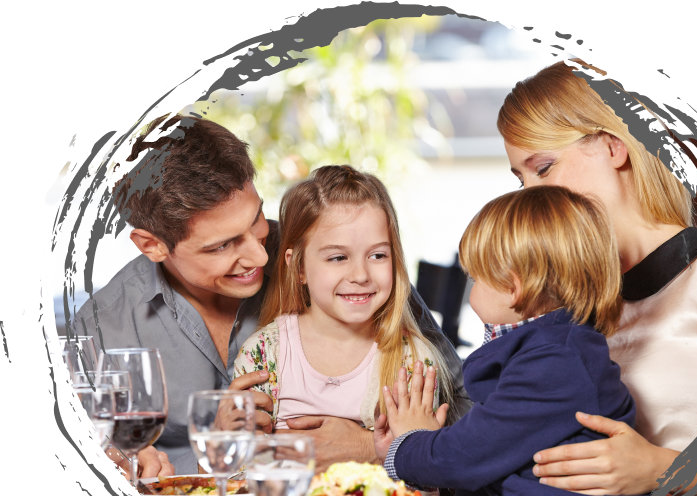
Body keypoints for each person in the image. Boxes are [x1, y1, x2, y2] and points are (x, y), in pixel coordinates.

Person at [72, 115, 470, 475]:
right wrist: (195, 456)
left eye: (257, 219)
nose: (263, 255)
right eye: (223, 246)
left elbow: (467, 407)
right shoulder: (103, 329)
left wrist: (372, 446)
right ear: (153, 246)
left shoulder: (337, 260)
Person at [495, 60, 697, 496]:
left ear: (613, 147)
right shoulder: (564, 309)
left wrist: (661, 471)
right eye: (521, 180)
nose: (532, 197)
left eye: (544, 168)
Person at [374, 186, 660, 496]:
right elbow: (495, 448)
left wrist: (405, 447)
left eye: (475, 278)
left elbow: (468, 456)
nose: (472, 289)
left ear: (512, 287)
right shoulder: (543, 354)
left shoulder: (557, 362)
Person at [234, 165, 454, 453]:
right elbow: (238, 474)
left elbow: (424, 476)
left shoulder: (413, 360)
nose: (360, 275)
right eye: (338, 257)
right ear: (298, 266)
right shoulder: (264, 354)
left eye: (378, 255)